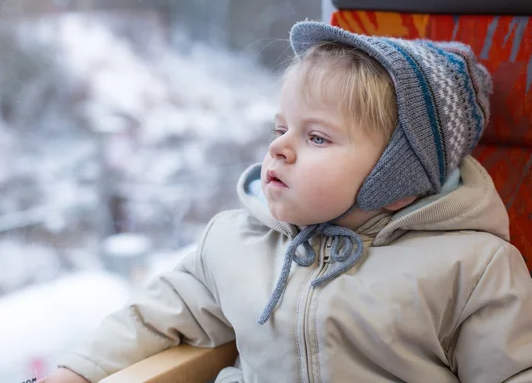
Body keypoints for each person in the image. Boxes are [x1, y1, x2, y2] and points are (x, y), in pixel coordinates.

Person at [40, 21, 532, 383]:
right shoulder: (235, 242)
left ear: (397, 176)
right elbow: (148, 318)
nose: (279, 148)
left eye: (316, 137)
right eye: (280, 128)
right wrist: (73, 373)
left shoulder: (473, 268)